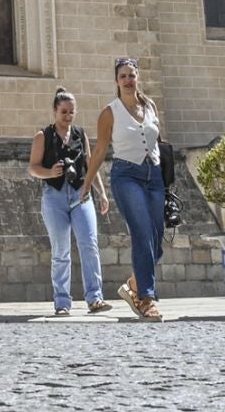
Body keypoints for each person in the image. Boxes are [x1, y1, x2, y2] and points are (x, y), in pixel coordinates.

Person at [84, 57, 165, 321]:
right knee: (142, 233)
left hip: (154, 176)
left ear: (137, 77)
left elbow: (157, 142)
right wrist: (87, 185)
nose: (128, 80)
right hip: (126, 175)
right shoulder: (110, 112)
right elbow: (99, 150)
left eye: (132, 75)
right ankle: (147, 299)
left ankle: (133, 284)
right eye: (123, 76)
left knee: (156, 240)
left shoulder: (149, 105)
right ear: (116, 81)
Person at [29, 88, 111, 317]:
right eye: (63, 111)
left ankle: (95, 298)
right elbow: (33, 168)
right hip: (54, 197)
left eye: (71, 112)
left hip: (80, 194)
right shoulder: (42, 136)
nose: (67, 116)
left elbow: (90, 165)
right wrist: (49, 172)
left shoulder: (79, 134)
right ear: (55, 111)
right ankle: (62, 302)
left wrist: (102, 194)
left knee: (89, 244)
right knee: (61, 250)